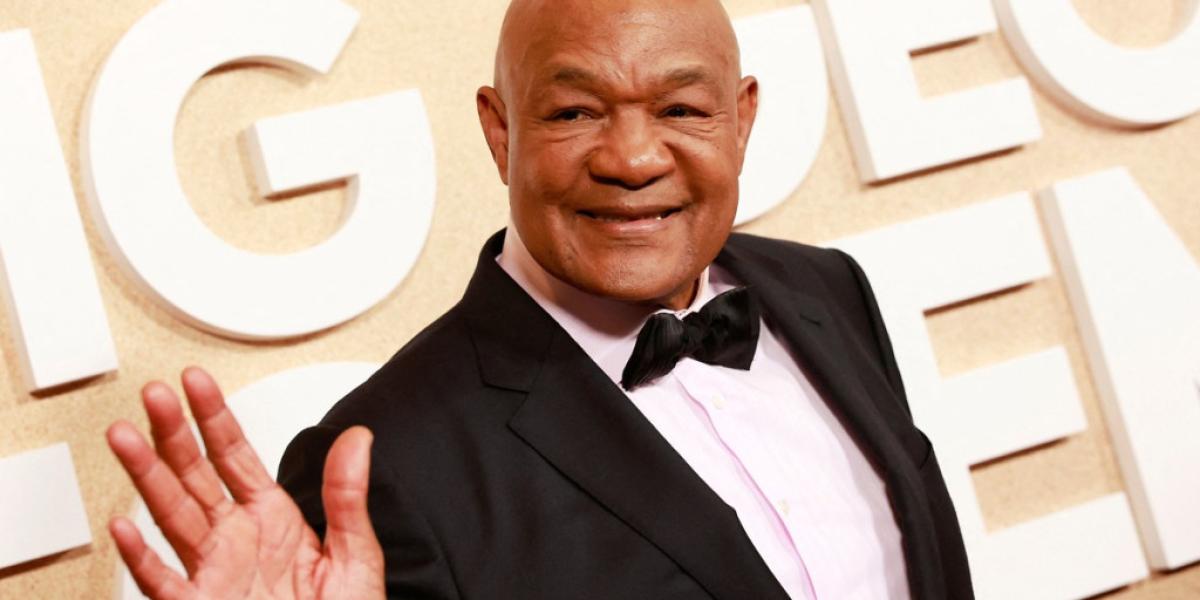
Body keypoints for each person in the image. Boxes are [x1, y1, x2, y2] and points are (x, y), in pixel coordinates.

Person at [105, 0, 973, 598]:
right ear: (500, 131)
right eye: (573, 113)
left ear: (740, 121)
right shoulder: (387, 464)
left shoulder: (827, 290)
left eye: (680, 108)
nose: (633, 159)